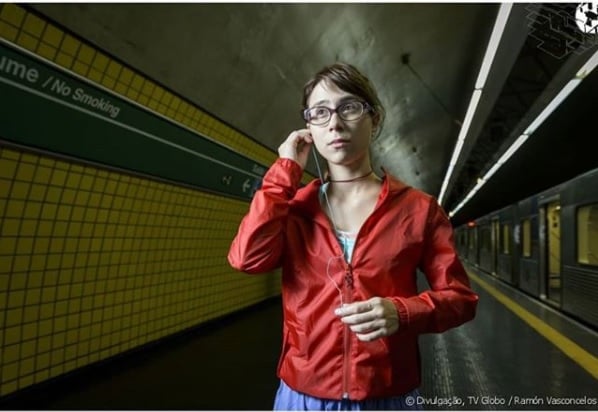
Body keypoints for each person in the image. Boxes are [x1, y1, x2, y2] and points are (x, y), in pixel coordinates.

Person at [228, 62, 478, 410]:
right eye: (320, 112)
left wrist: (403, 312)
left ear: (374, 119)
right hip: (303, 394)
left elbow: (461, 299)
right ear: (310, 129)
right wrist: (284, 173)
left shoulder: (419, 210)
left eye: (349, 107)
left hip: (388, 393)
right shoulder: (295, 208)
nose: (334, 122)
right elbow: (247, 258)